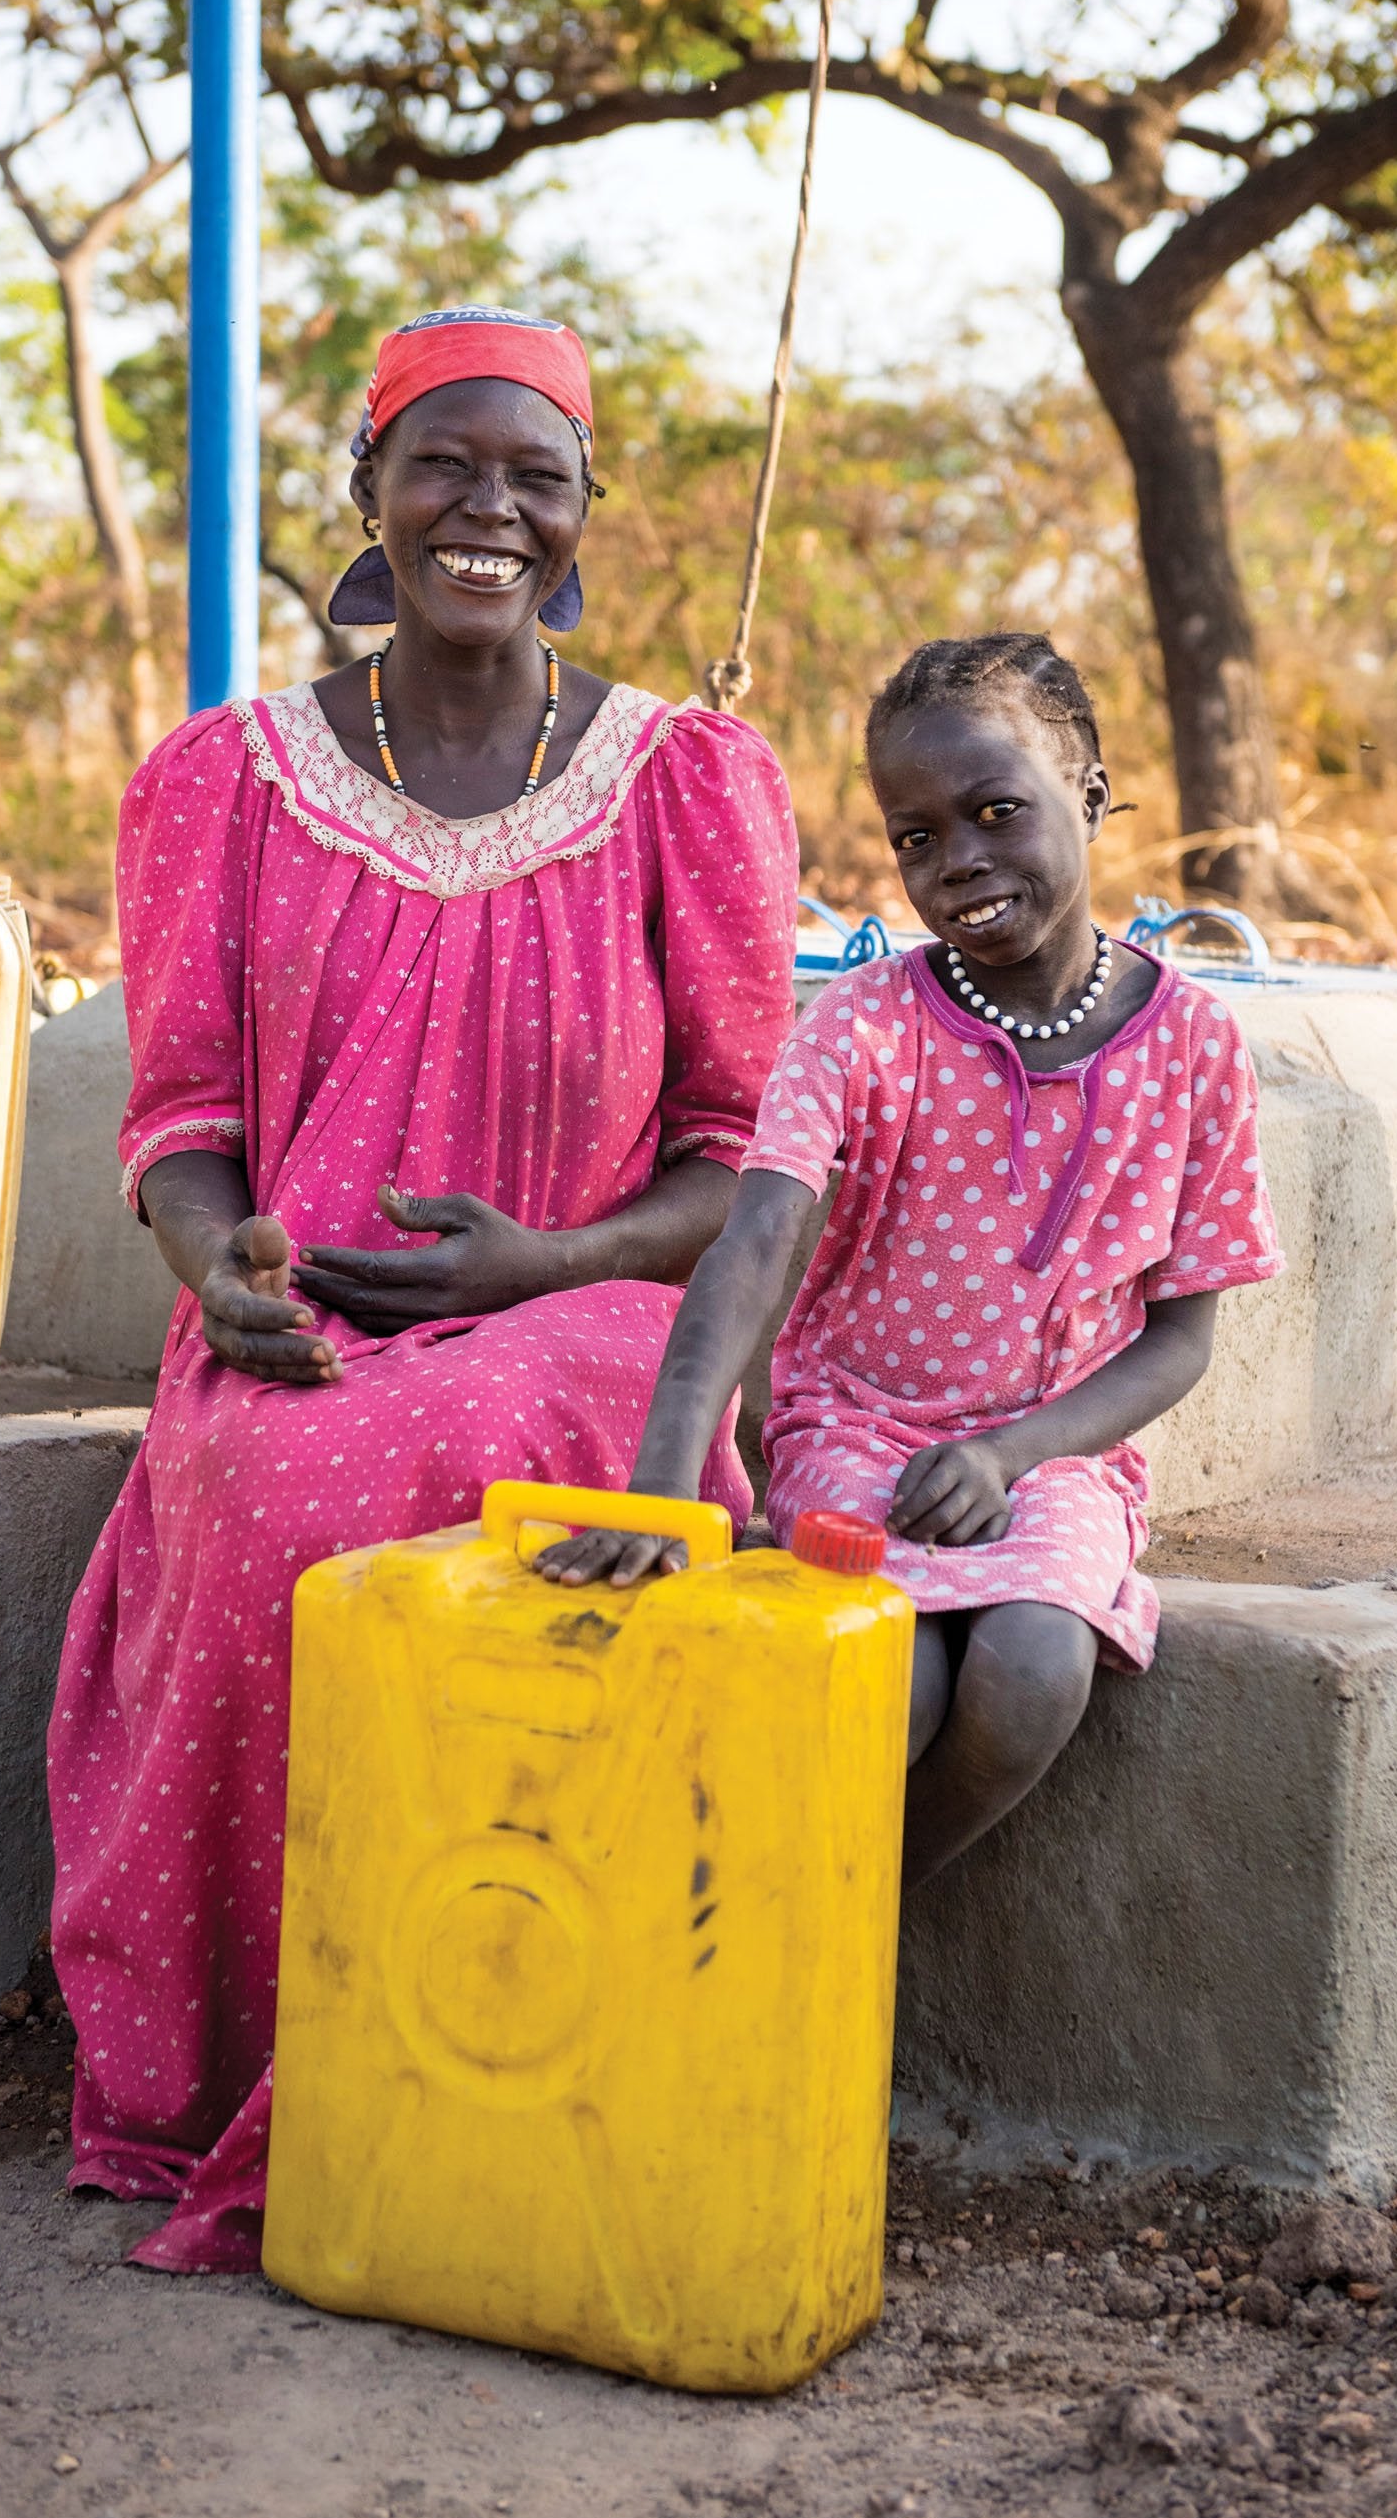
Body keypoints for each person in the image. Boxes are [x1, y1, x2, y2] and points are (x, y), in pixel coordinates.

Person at [51, 304, 798, 2271]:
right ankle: (275, 2064)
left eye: (530, 477)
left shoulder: (684, 782)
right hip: (306, 1330)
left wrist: (541, 1258)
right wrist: (225, 1278)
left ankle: (467, 2038)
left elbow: (735, 1164)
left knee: (427, 1454)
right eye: (441, 467)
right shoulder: (222, 778)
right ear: (368, 495)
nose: (486, 509)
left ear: (583, 514)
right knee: (273, 1473)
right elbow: (184, 1115)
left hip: (597, 1310)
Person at [537, 632, 1280, 1884]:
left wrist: (1011, 1452)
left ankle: (865, 1923)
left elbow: (1179, 1338)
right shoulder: (865, 1028)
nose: (958, 864)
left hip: (1051, 1454)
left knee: (1031, 1672)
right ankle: (796, 1933)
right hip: (856, 1430)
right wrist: (665, 1483)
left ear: (1087, 794)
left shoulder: (1197, 1046)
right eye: (916, 839)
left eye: (997, 812)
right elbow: (751, 1245)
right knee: (896, 1683)